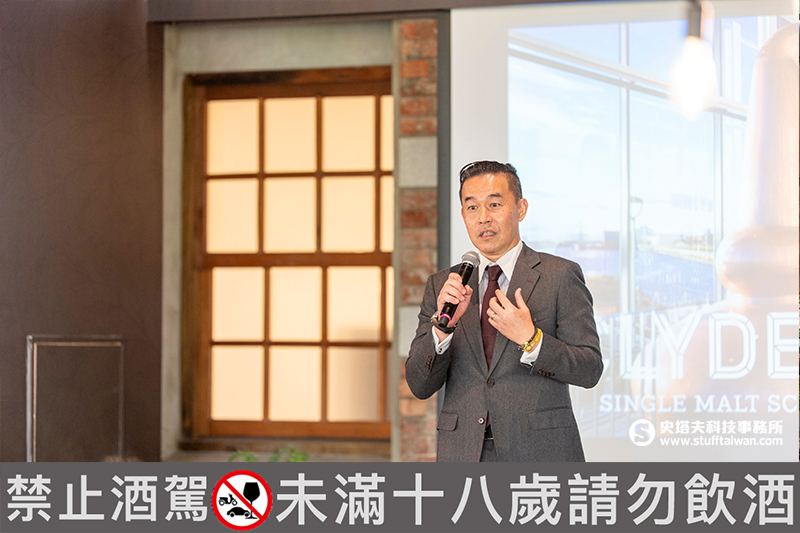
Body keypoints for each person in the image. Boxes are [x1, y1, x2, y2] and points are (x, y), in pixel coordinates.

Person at [405, 161, 603, 462]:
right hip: (464, 454)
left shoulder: (559, 275)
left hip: (540, 453)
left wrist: (531, 340)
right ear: (463, 215)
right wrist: (442, 330)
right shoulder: (444, 285)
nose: (483, 217)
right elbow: (420, 385)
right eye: (472, 208)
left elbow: (590, 369)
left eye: (494, 204)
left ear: (520, 209)